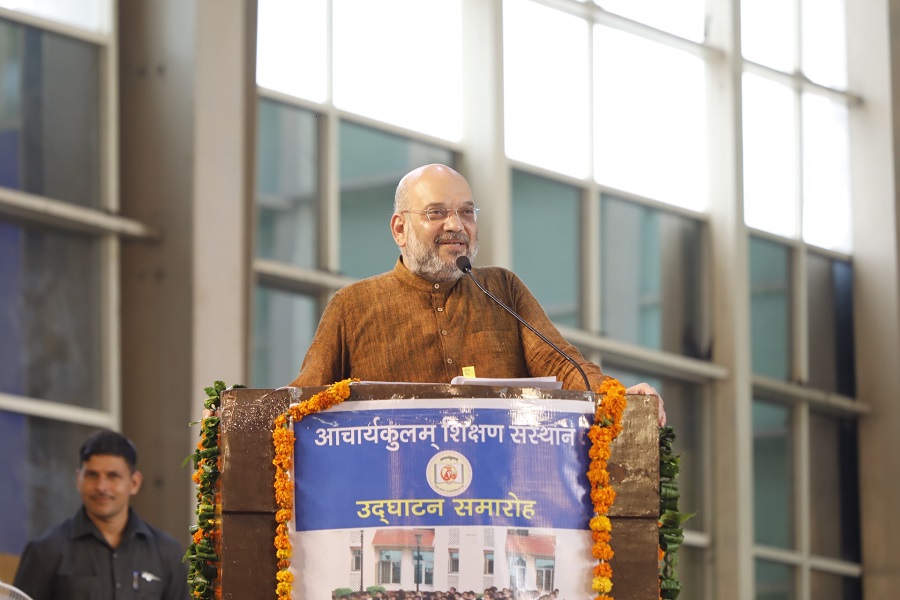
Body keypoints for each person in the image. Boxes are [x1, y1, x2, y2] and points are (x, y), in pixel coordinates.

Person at [289, 163, 665, 426]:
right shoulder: (353, 305)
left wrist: (618, 395)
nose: (456, 225)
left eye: (466, 213)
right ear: (400, 228)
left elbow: (561, 366)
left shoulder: (502, 289)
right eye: (436, 213)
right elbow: (301, 399)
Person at [13, 429, 189, 600]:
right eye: (92, 475)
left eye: (113, 476)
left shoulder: (167, 553)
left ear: (134, 483)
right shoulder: (46, 551)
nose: (101, 487)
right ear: (78, 480)